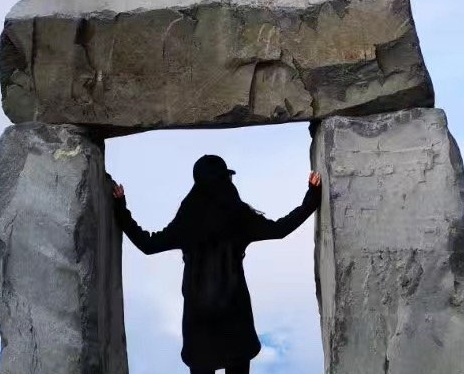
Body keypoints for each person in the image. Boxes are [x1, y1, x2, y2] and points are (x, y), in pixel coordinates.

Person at [111, 154, 322, 374]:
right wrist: (312, 197)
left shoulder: (188, 217)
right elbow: (280, 229)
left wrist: (121, 208)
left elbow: (148, 244)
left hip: (199, 321)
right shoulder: (238, 215)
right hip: (235, 317)